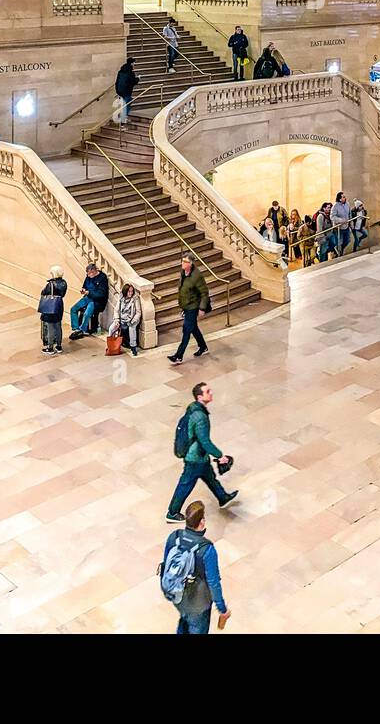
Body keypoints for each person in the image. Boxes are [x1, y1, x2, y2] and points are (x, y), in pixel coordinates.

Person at [166, 381, 237, 521]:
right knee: (185, 484)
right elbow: (204, 441)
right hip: (195, 458)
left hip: (200, 457)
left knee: (210, 477)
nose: (211, 393)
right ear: (199, 397)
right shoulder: (200, 417)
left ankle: (222, 497)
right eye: (207, 392)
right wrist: (219, 456)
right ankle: (172, 512)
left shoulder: (193, 409)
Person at [161, 500, 230, 635]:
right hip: (198, 604)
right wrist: (222, 608)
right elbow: (213, 583)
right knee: (196, 626)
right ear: (202, 522)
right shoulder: (206, 549)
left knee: (184, 620)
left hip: (177, 596)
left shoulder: (174, 537)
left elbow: (165, 565)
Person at [167, 253, 210, 364]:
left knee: (186, 330)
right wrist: (182, 307)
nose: (182, 263)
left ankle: (178, 356)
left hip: (193, 306)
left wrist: (202, 308)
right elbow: (183, 290)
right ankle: (203, 346)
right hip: (186, 305)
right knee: (193, 328)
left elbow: (204, 293)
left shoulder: (197, 276)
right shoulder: (183, 273)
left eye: (185, 262)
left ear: (191, 263)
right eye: (182, 261)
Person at [69, 263, 110, 339]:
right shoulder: (88, 277)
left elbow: (101, 294)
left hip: (96, 301)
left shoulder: (102, 278)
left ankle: (82, 329)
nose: (88, 276)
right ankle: (76, 328)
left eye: (89, 274)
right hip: (88, 297)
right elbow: (85, 285)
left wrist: (89, 292)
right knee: (73, 309)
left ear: (94, 271)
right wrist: (83, 289)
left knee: (87, 314)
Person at [38, 265, 68, 354]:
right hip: (59, 305)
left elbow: (43, 292)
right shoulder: (64, 283)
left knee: (50, 327)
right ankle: (59, 346)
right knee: (58, 326)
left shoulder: (50, 284)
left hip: (50, 306)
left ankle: (50, 347)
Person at [111, 282, 142, 356]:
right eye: (129, 291)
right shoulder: (121, 298)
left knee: (132, 328)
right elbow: (116, 310)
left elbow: (138, 312)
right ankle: (112, 346)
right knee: (111, 328)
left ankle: (133, 347)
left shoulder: (135, 298)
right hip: (122, 319)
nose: (131, 293)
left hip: (132, 319)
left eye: (132, 291)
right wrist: (117, 320)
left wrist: (133, 320)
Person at [114, 57, 139, 123]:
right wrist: (138, 79)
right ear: (131, 63)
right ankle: (123, 119)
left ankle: (123, 117)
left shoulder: (121, 71)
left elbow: (117, 81)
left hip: (120, 90)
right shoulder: (130, 73)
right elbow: (132, 82)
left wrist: (117, 90)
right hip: (127, 91)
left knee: (125, 103)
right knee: (127, 103)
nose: (134, 64)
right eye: (134, 63)